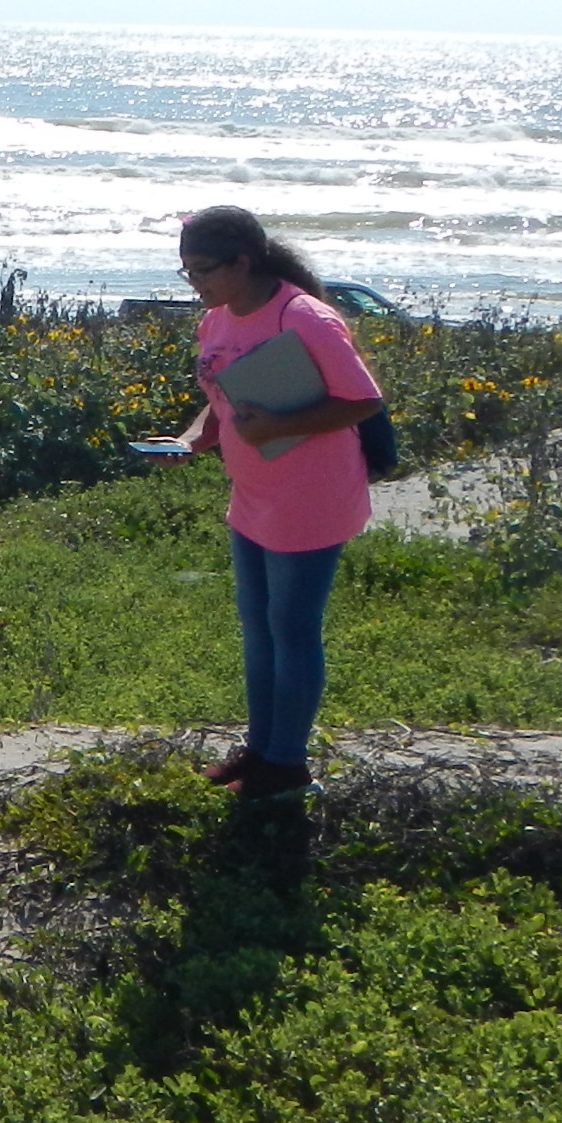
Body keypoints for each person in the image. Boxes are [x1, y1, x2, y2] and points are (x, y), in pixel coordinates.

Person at [152, 203, 383, 797]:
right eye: (187, 272)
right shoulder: (218, 320)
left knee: (293, 627)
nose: (195, 284)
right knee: (258, 627)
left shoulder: (304, 318)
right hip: (254, 494)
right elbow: (224, 394)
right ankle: (261, 751)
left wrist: (275, 429)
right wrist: (191, 438)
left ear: (243, 262)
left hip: (311, 495)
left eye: (204, 270)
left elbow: (362, 401)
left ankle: (287, 766)